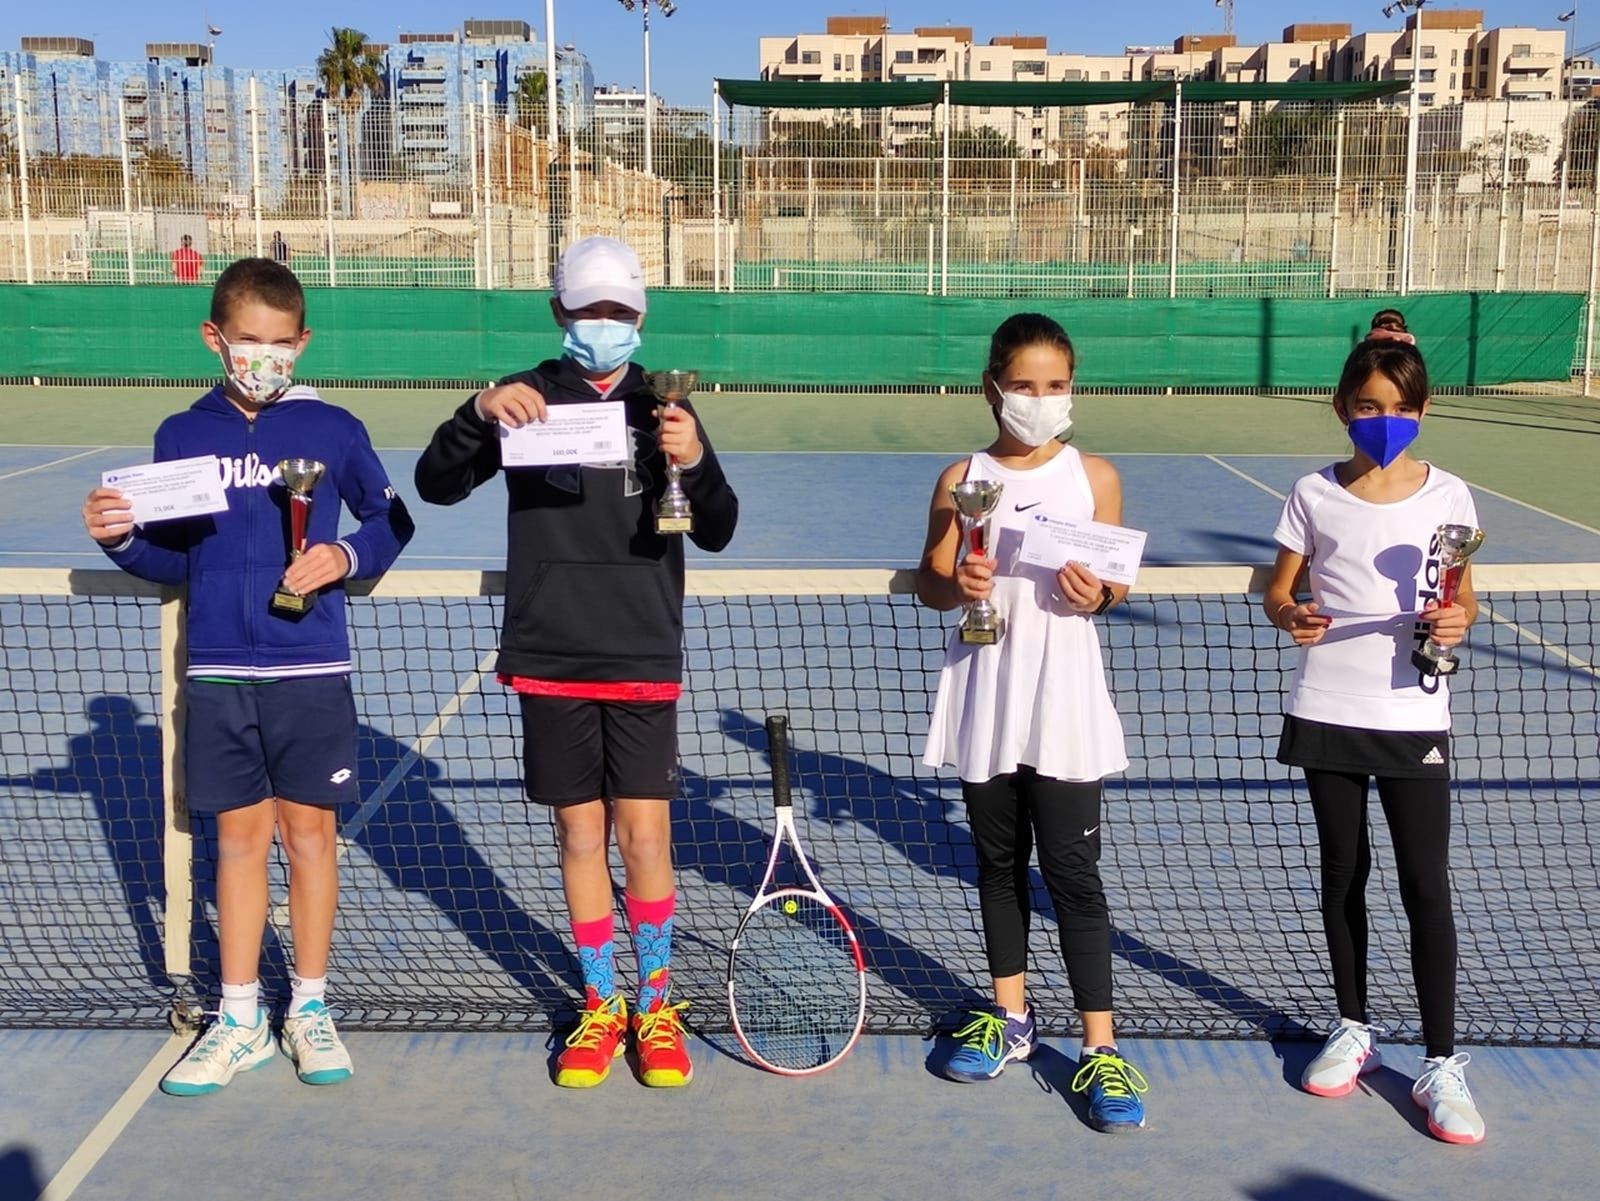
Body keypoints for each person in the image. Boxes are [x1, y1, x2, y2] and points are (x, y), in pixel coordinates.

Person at [81, 258, 415, 1096]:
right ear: (215, 339)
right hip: (220, 670)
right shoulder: (181, 436)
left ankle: (308, 1005)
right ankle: (239, 1017)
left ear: (302, 343)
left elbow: (393, 517)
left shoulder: (334, 429)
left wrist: (344, 553)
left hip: (311, 667)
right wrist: (119, 540)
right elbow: (172, 553)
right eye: (247, 342)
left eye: (280, 344)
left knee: (309, 837)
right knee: (235, 841)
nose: (264, 358)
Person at [413, 235, 738, 1089]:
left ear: (641, 317)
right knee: (577, 834)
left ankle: (656, 1005)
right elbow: (436, 483)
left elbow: (720, 524)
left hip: (640, 650)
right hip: (550, 652)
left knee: (646, 837)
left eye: (620, 311)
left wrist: (695, 462)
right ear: (560, 311)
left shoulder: (668, 408)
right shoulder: (524, 399)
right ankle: (602, 1003)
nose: (604, 323)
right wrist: (478, 411)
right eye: (589, 309)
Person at [916, 312, 1150, 1133]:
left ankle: (1100, 1050)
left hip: (1064, 694)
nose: (1041, 399)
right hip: (988, 683)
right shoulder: (961, 476)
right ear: (994, 387)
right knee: (997, 861)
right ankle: (1011, 1020)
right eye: (1025, 384)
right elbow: (934, 584)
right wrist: (961, 579)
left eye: (1056, 385)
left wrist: (1103, 595)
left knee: (1075, 876)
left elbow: (1114, 583)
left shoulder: (1098, 476)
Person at [1264, 337, 1485, 1145]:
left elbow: (1462, 598)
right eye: (1368, 406)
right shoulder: (1312, 493)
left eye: (1399, 408)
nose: (1383, 420)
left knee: (1426, 882)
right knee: (1342, 873)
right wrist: (1292, 615)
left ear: (1421, 412)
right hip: (1328, 702)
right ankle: (1353, 1025)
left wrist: (1458, 617)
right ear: (1342, 408)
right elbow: (1278, 591)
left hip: (1414, 713)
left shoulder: (1450, 495)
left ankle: (1440, 1060)